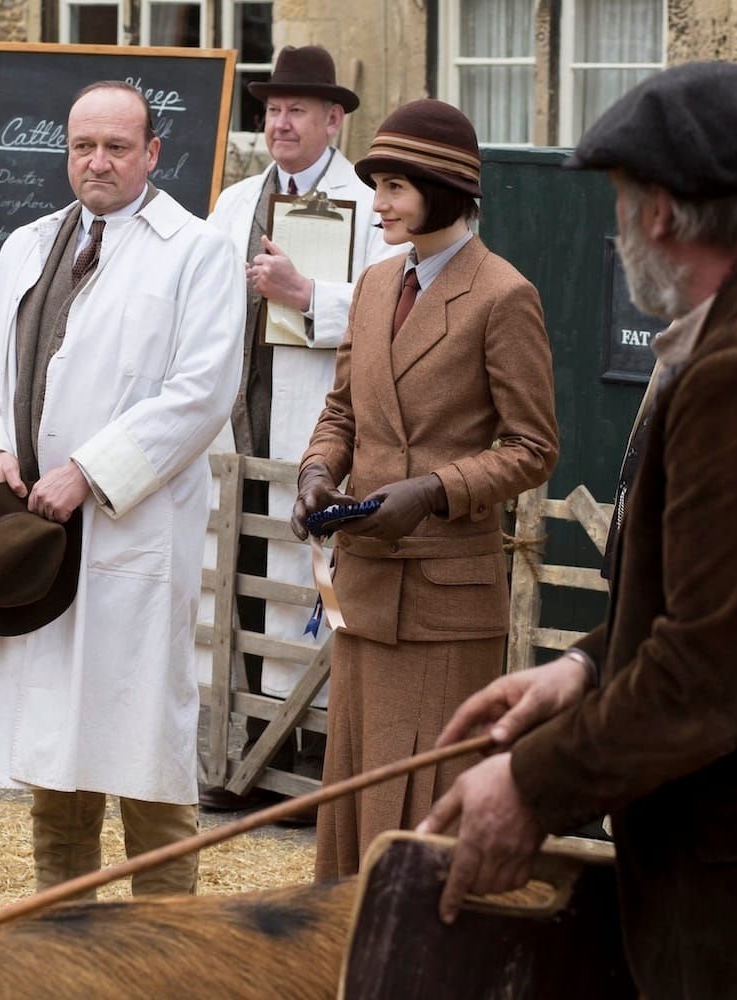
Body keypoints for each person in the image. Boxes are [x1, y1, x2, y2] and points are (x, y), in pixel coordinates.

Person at [420, 62, 737, 996]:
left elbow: (715, 674)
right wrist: (587, 667)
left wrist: (530, 785)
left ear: (662, 212)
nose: (622, 222)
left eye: (624, 198)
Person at [0, 81, 244, 896]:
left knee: (145, 756)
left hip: (128, 537)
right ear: (66, 152)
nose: (98, 162)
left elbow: (203, 392)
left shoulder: (196, 251)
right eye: (83, 146)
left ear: (153, 153)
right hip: (37, 533)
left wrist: (91, 472)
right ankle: (61, 938)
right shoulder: (30, 244)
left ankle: (162, 943)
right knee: (55, 750)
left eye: (117, 147)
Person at [290, 99, 559, 879]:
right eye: (377, 186)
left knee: (425, 812)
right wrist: (317, 473)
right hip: (363, 590)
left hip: (445, 604)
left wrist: (434, 491)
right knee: (356, 799)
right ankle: (347, 936)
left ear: (444, 190)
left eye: (394, 188)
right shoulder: (375, 284)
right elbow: (342, 411)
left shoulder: (504, 295)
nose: (376, 204)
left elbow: (534, 448)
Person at [199, 44, 407, 817]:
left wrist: (308, 293)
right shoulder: (233, 203)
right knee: (238, 583)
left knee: (310, 587)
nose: (280, 123)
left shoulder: (369, 206)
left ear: (334, 121)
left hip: (317, 425)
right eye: (272, 110)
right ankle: (243, 757)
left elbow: (394, 309)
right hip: (237, 423)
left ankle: (313, 765)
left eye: (297, 111)